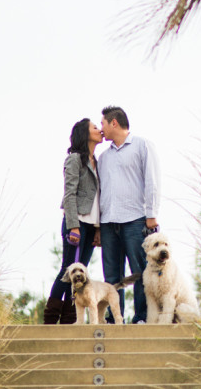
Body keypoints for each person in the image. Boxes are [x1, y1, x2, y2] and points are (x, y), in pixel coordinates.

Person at [98, 105, 159, 323]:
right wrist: (98, 226)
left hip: (135, 220)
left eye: (103, 123)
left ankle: (141, 317)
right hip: (108, 224)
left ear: (114, 122)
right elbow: (100, 193)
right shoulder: (103, 157)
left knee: (140, 271)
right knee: (112, 276)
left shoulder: (142, 145)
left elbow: (152, 181)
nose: (101, 128)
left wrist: (151, 215)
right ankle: (116, 318)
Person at [43, 118, 103, 324]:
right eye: (95, 127)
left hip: (91, 224)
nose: (100, 130)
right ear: (84, 134)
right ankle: (51, 317)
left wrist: (97, 229)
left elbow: (97, 199)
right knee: (67, 269)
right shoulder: (75, 159)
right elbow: (69, 194)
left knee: (82, 271)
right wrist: (74, 226)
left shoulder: (97, 162)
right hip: (75, 222)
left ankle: (69, 317)